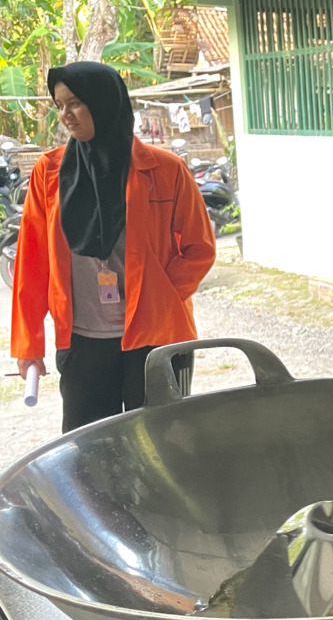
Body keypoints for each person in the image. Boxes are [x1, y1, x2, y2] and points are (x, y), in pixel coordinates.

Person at [10, 63, 216, 433]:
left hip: (158, 339)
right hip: (83, 340)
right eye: (59, 105)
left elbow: (199, 249)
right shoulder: (49, 172)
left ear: (104, 102)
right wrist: (29, 343)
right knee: (89, 455)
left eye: (74, 103)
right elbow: (32, 262)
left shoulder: (166, 170)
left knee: (161, 449)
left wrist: (162, 294)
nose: (65, 116)